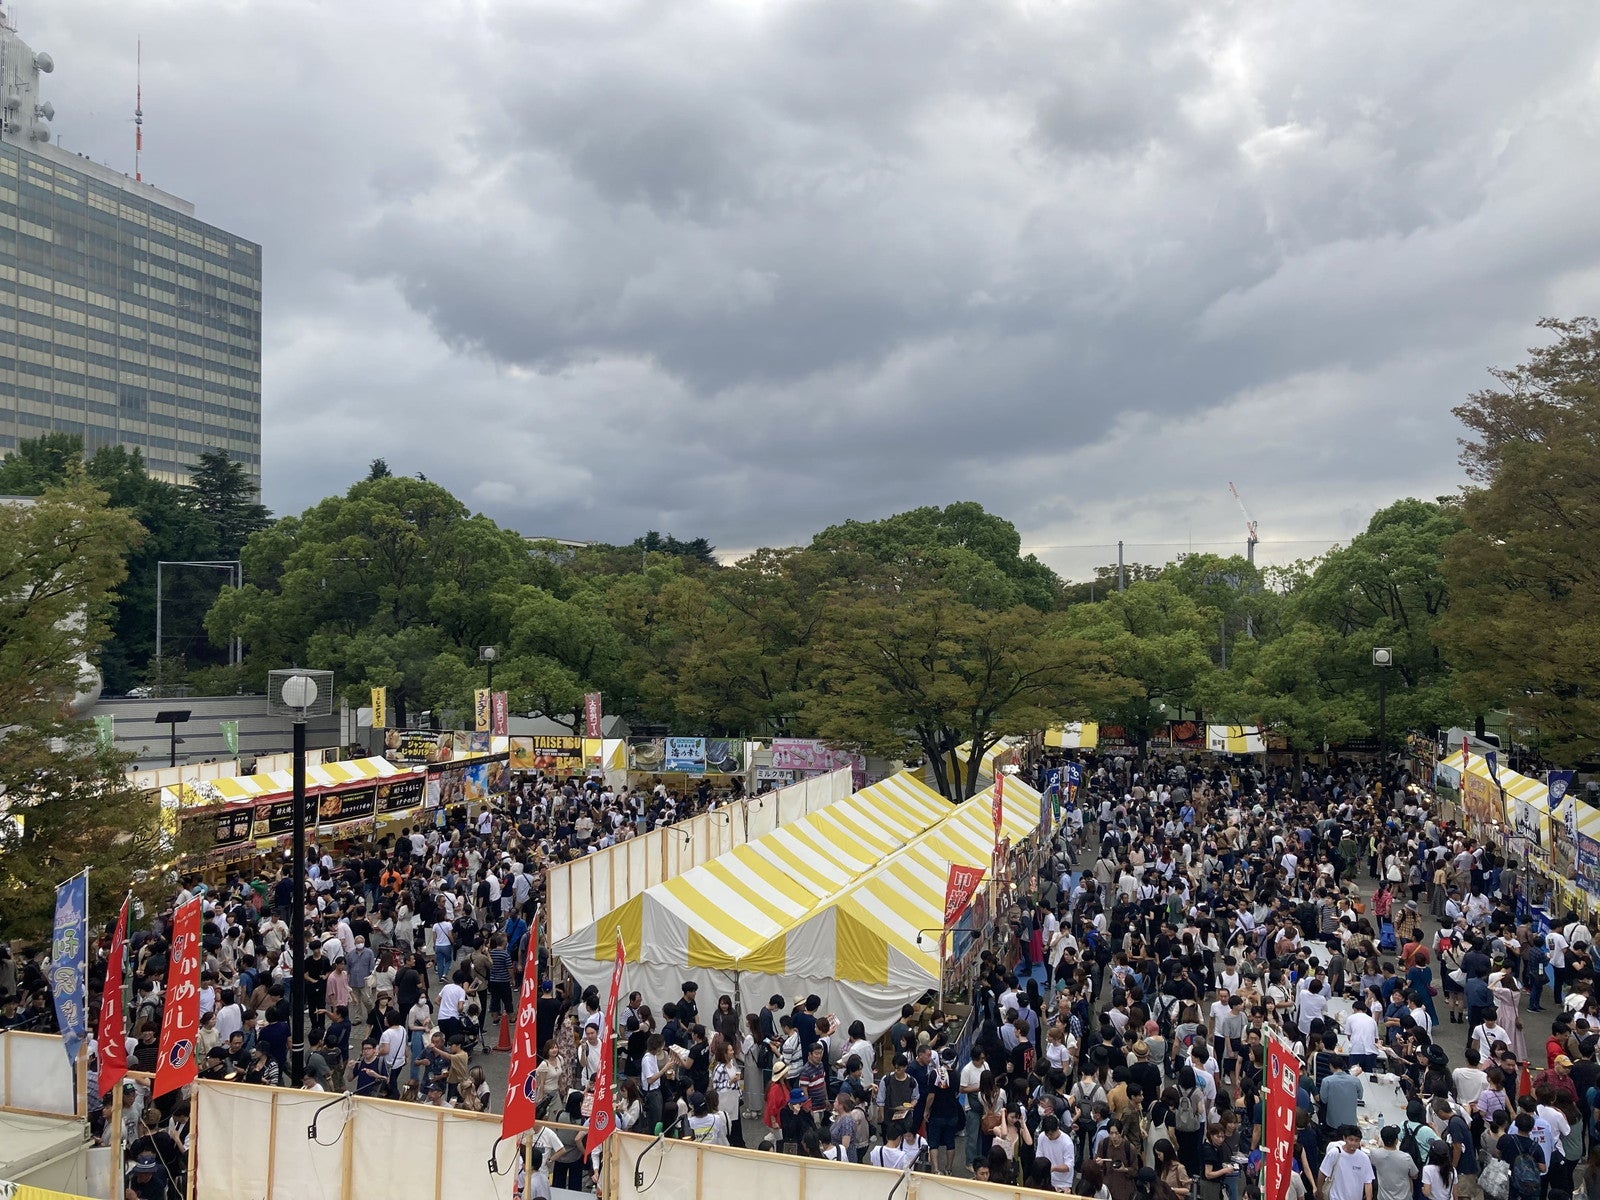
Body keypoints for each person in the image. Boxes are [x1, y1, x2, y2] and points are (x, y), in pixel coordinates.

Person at [1319, 1125, 1376, 1200]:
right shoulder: (1335, 1153)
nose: (1353, 1143)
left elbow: (1368, 1181)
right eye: (1351, 1139)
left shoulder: (1364, 1158)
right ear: (1344, 1138)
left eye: (1356, 1140)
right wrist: (1319, 1191)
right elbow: (1322, 1172)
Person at [1368, 1126, 1419, 1200]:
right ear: (1396, 1140)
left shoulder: (1375, 1154)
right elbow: (1415, 1175)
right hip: (1404, 1197)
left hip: (1383, 1197)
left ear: (1382, 1139)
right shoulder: (1406, 1157)